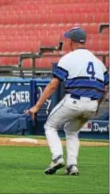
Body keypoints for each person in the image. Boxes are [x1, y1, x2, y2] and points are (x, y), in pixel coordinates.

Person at [26, 27, 109, 175]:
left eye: (67, 39)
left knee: (50, 126)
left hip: (74, 100)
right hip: (92, 104)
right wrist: (96, 105)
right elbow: (105, 87)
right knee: (72, 131)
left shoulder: (68, 58)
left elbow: (53, 85)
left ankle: (57, 157)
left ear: (71, 41)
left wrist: (37, 106)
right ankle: (72, 166)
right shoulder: (98, 62)